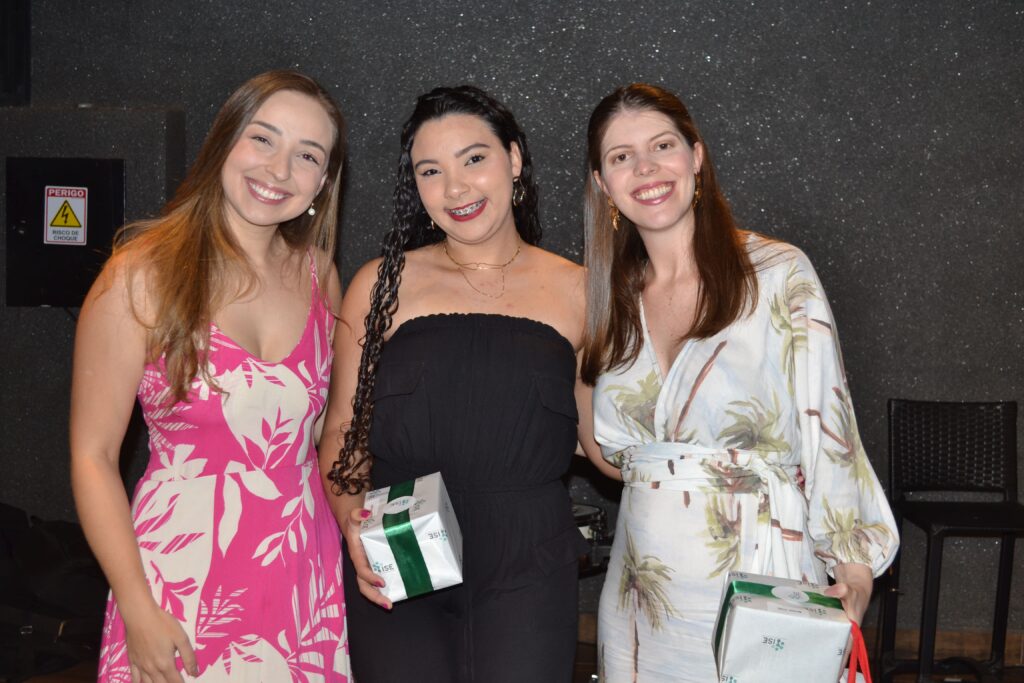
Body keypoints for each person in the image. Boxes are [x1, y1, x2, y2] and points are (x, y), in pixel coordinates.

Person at [575, 83, 899, 682]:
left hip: (760, 576)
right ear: (602, 183)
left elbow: (829, 427)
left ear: (696, 157)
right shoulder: (606, 302)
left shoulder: (778, 274)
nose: (645, 168)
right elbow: (614, 458)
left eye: (662, 146)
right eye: (621, 156)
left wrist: (853, 569)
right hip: (644, 594)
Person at [70, 70, 351, 682]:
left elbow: (324, 436)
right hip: (177, 583)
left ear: (324, 181)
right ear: (225, 141)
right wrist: (137, 606)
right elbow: (93, 457)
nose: (279, 169)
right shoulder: (139, 276)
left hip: (301, 579)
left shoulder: (319, 276)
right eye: (263, 139)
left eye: (307, 155)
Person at [321, 85, 588, 682]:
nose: (456, 188)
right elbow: (342, 429)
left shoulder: (581, 291)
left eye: (474, 159)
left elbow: (604, 443)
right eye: (431, 171)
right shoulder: (380, 284)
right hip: (401, 546)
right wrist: (351, 525)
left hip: (529, 559)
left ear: (513, 159)